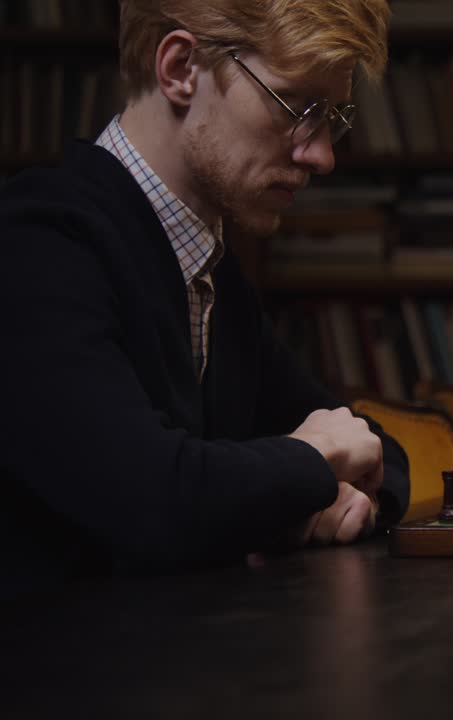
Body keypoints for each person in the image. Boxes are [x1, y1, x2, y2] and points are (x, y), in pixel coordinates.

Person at [0, 0, 408, 597]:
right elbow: (153, 501)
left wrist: (329, 488)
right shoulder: (36, 245)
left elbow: (371, 448)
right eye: (297, 107)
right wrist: (311, 466)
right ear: (181, 68)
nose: (321, 155)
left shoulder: (209, 270)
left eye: (332, 118)